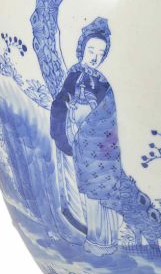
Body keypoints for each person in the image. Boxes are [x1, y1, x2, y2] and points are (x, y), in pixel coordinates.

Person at [50, 17, 123, 255]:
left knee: (103, 190)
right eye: (91, 50)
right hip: (77, 141)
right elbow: (61, 104)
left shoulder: (103, 82)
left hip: (100, 146)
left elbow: (109, 116)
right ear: (82, 49)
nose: (94, 57)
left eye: (100, 53)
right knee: (84, 192)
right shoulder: (75, 75)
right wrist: (65, 134)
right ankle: (94, 239)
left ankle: (107, 241)